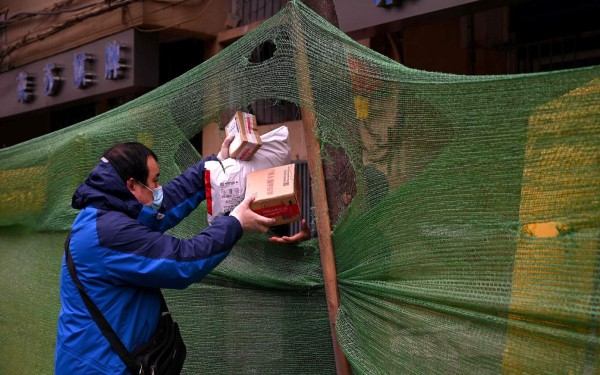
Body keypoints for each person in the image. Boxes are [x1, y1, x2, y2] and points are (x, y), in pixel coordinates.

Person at [54, 136, 275, 374]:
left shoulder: (107, 213)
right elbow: (183, 261)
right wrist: (236, 223)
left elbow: (163, 206)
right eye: (155, 180)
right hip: (102, 367)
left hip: (106, 360)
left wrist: (213, 167)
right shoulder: (109, 232)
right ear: (131, 185)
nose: (159, 188)